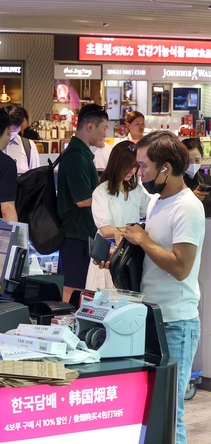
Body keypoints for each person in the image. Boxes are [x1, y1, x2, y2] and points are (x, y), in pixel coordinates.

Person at [116, 131, 203, 444]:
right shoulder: (156, 202)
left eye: (144, 166)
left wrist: (143, 239)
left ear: (166, 168)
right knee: (152, 408)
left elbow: (181, 267)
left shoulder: (188, 208)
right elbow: (152, 256)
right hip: (151, 316)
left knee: (170, 410)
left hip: (176, 323)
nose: (140, 173)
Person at [57, 104, 108, 298]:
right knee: (73, 287)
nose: (105, 132)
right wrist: (108, 199)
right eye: (103, 127)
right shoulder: (76, 157)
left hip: (80, 232)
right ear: (90, 127)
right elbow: (82, 200)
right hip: (75, 234)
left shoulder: (81, 153)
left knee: (79, 286)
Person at [85, 141, 149, 290]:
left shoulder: (136, 190)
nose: (132, 171)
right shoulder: (101, 192)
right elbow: (106, 230)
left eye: (135, 166)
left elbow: (150, 211)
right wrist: (134, 231)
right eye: (128, 166)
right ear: (116, 164)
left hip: (129, 255)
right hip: (108, 254)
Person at [3, 105, 40, 174]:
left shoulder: (28, 146)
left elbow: (35, 176)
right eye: (8, 128)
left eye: (14, 129)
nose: (10, 132)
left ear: (20, 126)